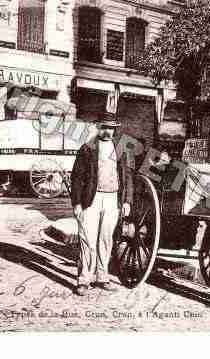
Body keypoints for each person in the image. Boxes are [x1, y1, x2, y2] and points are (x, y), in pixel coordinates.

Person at [70, 112, 133, 296]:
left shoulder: (121, 149)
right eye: (104, 127)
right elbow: (77, 178)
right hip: (91, 199)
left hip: (112, 199)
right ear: (98, 127)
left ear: (115, 129)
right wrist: (77, 204)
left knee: (106, 240)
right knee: (87, 240)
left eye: (111, 128)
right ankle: (83, 280)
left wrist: (127, 200)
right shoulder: (87, 148)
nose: (108, 131)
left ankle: (102, 277)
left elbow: (127, 176)